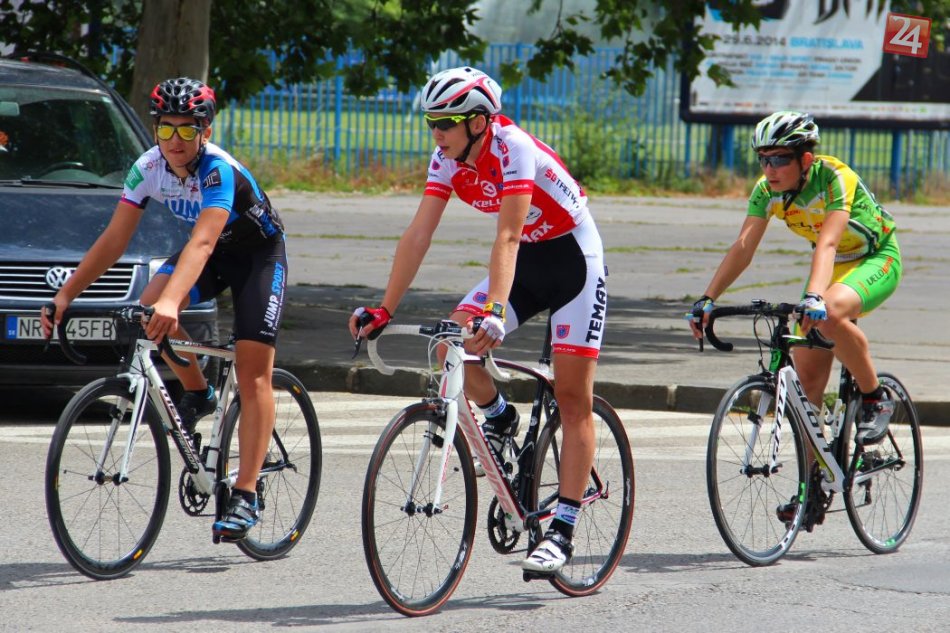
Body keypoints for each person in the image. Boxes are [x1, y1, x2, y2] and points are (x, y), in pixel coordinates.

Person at [347, 66, 608, 574]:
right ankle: (500, 417)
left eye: (445, 123)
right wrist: (385, 308)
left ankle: (563, 529)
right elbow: (419, 233)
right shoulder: (446, 159)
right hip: (525, 262)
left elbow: (507, 236)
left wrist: (495, 312)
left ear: (479, 122)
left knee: (573, 397)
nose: (436, 134)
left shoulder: (514, 148)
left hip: (573, 260)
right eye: (431, 123)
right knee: (451, 343)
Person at [40, 77, 287, 542]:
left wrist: (173, 301)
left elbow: (203, 241)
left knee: (254, 370)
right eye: (166, 128)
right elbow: (115, 240)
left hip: (257, 257)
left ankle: (246, 493)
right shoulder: (147, 167)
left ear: (205, 131)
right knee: (148, 312)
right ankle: (198, 392)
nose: (176, 140)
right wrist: (66, 294)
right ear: (155, 130)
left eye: (187, 129)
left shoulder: (217, 171)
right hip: (210, 255)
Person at [688, 110, 901, 448]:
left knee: (828, 314)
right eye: (763, 159)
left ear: (805, 160)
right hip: (830, 268)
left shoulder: (834, 177)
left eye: (779, 159)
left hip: (875, 258)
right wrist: (707, 298)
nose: (769, 169)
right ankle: (815, 480)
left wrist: (814, 296)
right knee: (807, 385)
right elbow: (743, 247)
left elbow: (828, 242)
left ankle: (875, 397)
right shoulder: (766, 191)